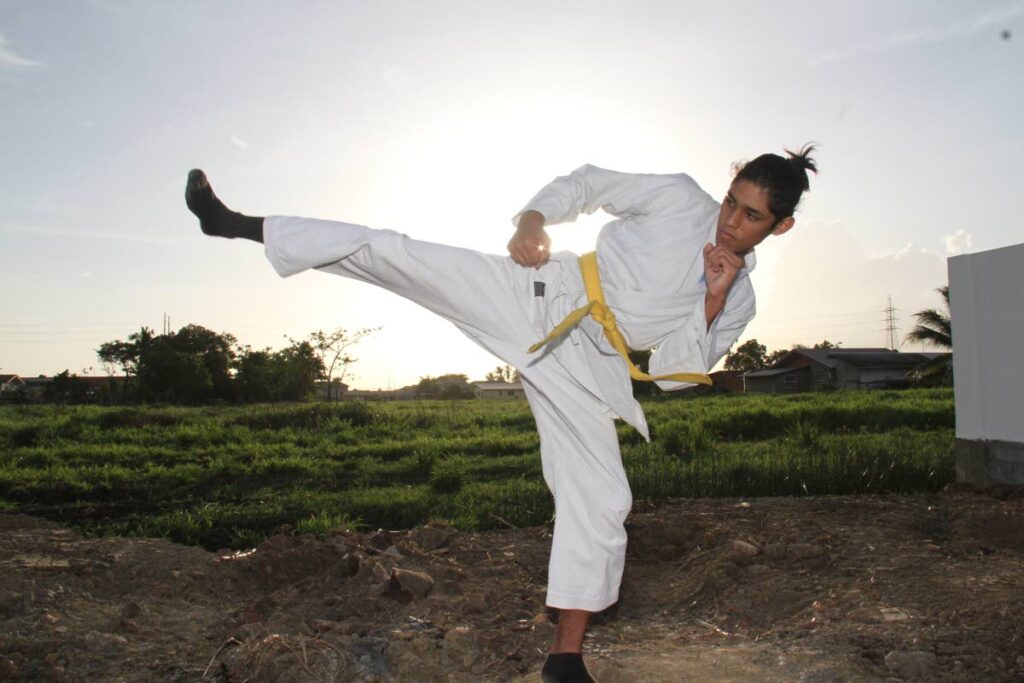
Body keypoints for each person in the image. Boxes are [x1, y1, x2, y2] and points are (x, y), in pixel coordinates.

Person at [185, 145, 817, 683]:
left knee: (603, 498)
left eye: (751, 215)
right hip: (538, 291)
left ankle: (564, 661)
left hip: (586, 367)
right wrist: (533, 220)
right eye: (732, 200)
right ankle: (235, 223)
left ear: (779, 227)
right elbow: (589, 183)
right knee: (395, 252)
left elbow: (677, 377)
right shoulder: (680, 198)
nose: (730, 220)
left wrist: (713, 297)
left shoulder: (739, 298)